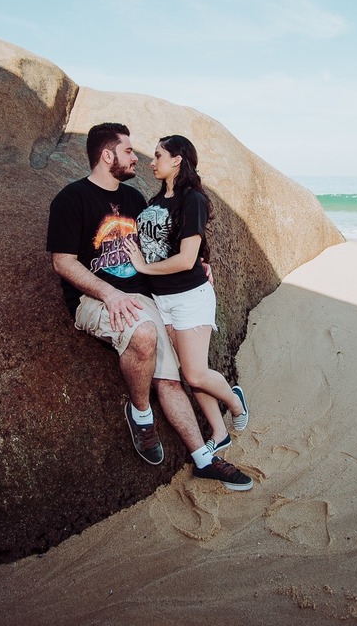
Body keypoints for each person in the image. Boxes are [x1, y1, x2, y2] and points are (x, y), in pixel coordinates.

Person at [46, 122, 252, 491]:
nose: (136, 158)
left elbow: (161, 247)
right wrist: (109, 294)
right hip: (95, 298)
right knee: (142, 334)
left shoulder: (136, 201)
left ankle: (204, 460)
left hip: (144, 298)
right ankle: (141, 415)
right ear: (107, 155)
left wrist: (198, 261)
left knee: (171, 379)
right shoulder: (71, 199)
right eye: (128, 150)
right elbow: (63, 262)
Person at [124, 135, 249, 458]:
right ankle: (219, 433)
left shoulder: (192, 199)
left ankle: (235, 402)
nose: (152, 162)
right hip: (161, 300)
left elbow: (185, 259)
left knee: (195, 373)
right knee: (191, 373)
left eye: (158, 156)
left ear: (177, 159)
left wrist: (143, 267)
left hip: (189, 297)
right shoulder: (155, 200)